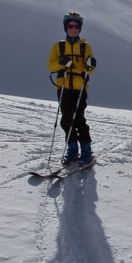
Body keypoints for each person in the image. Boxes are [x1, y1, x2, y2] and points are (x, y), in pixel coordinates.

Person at [48, 12, 97, 165]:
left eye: (76, 26)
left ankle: (86, 151)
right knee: (66, 120)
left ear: (80, 29)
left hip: (79, 87)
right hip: (63, 86)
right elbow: (51, 65)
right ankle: (72, 150)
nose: (73, 29)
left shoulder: (85, 47)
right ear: (66, 27)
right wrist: (62, 63)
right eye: (70, 26)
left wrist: (90, 66)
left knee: (79, 120)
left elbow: (90, 68)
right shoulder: (59, 46)